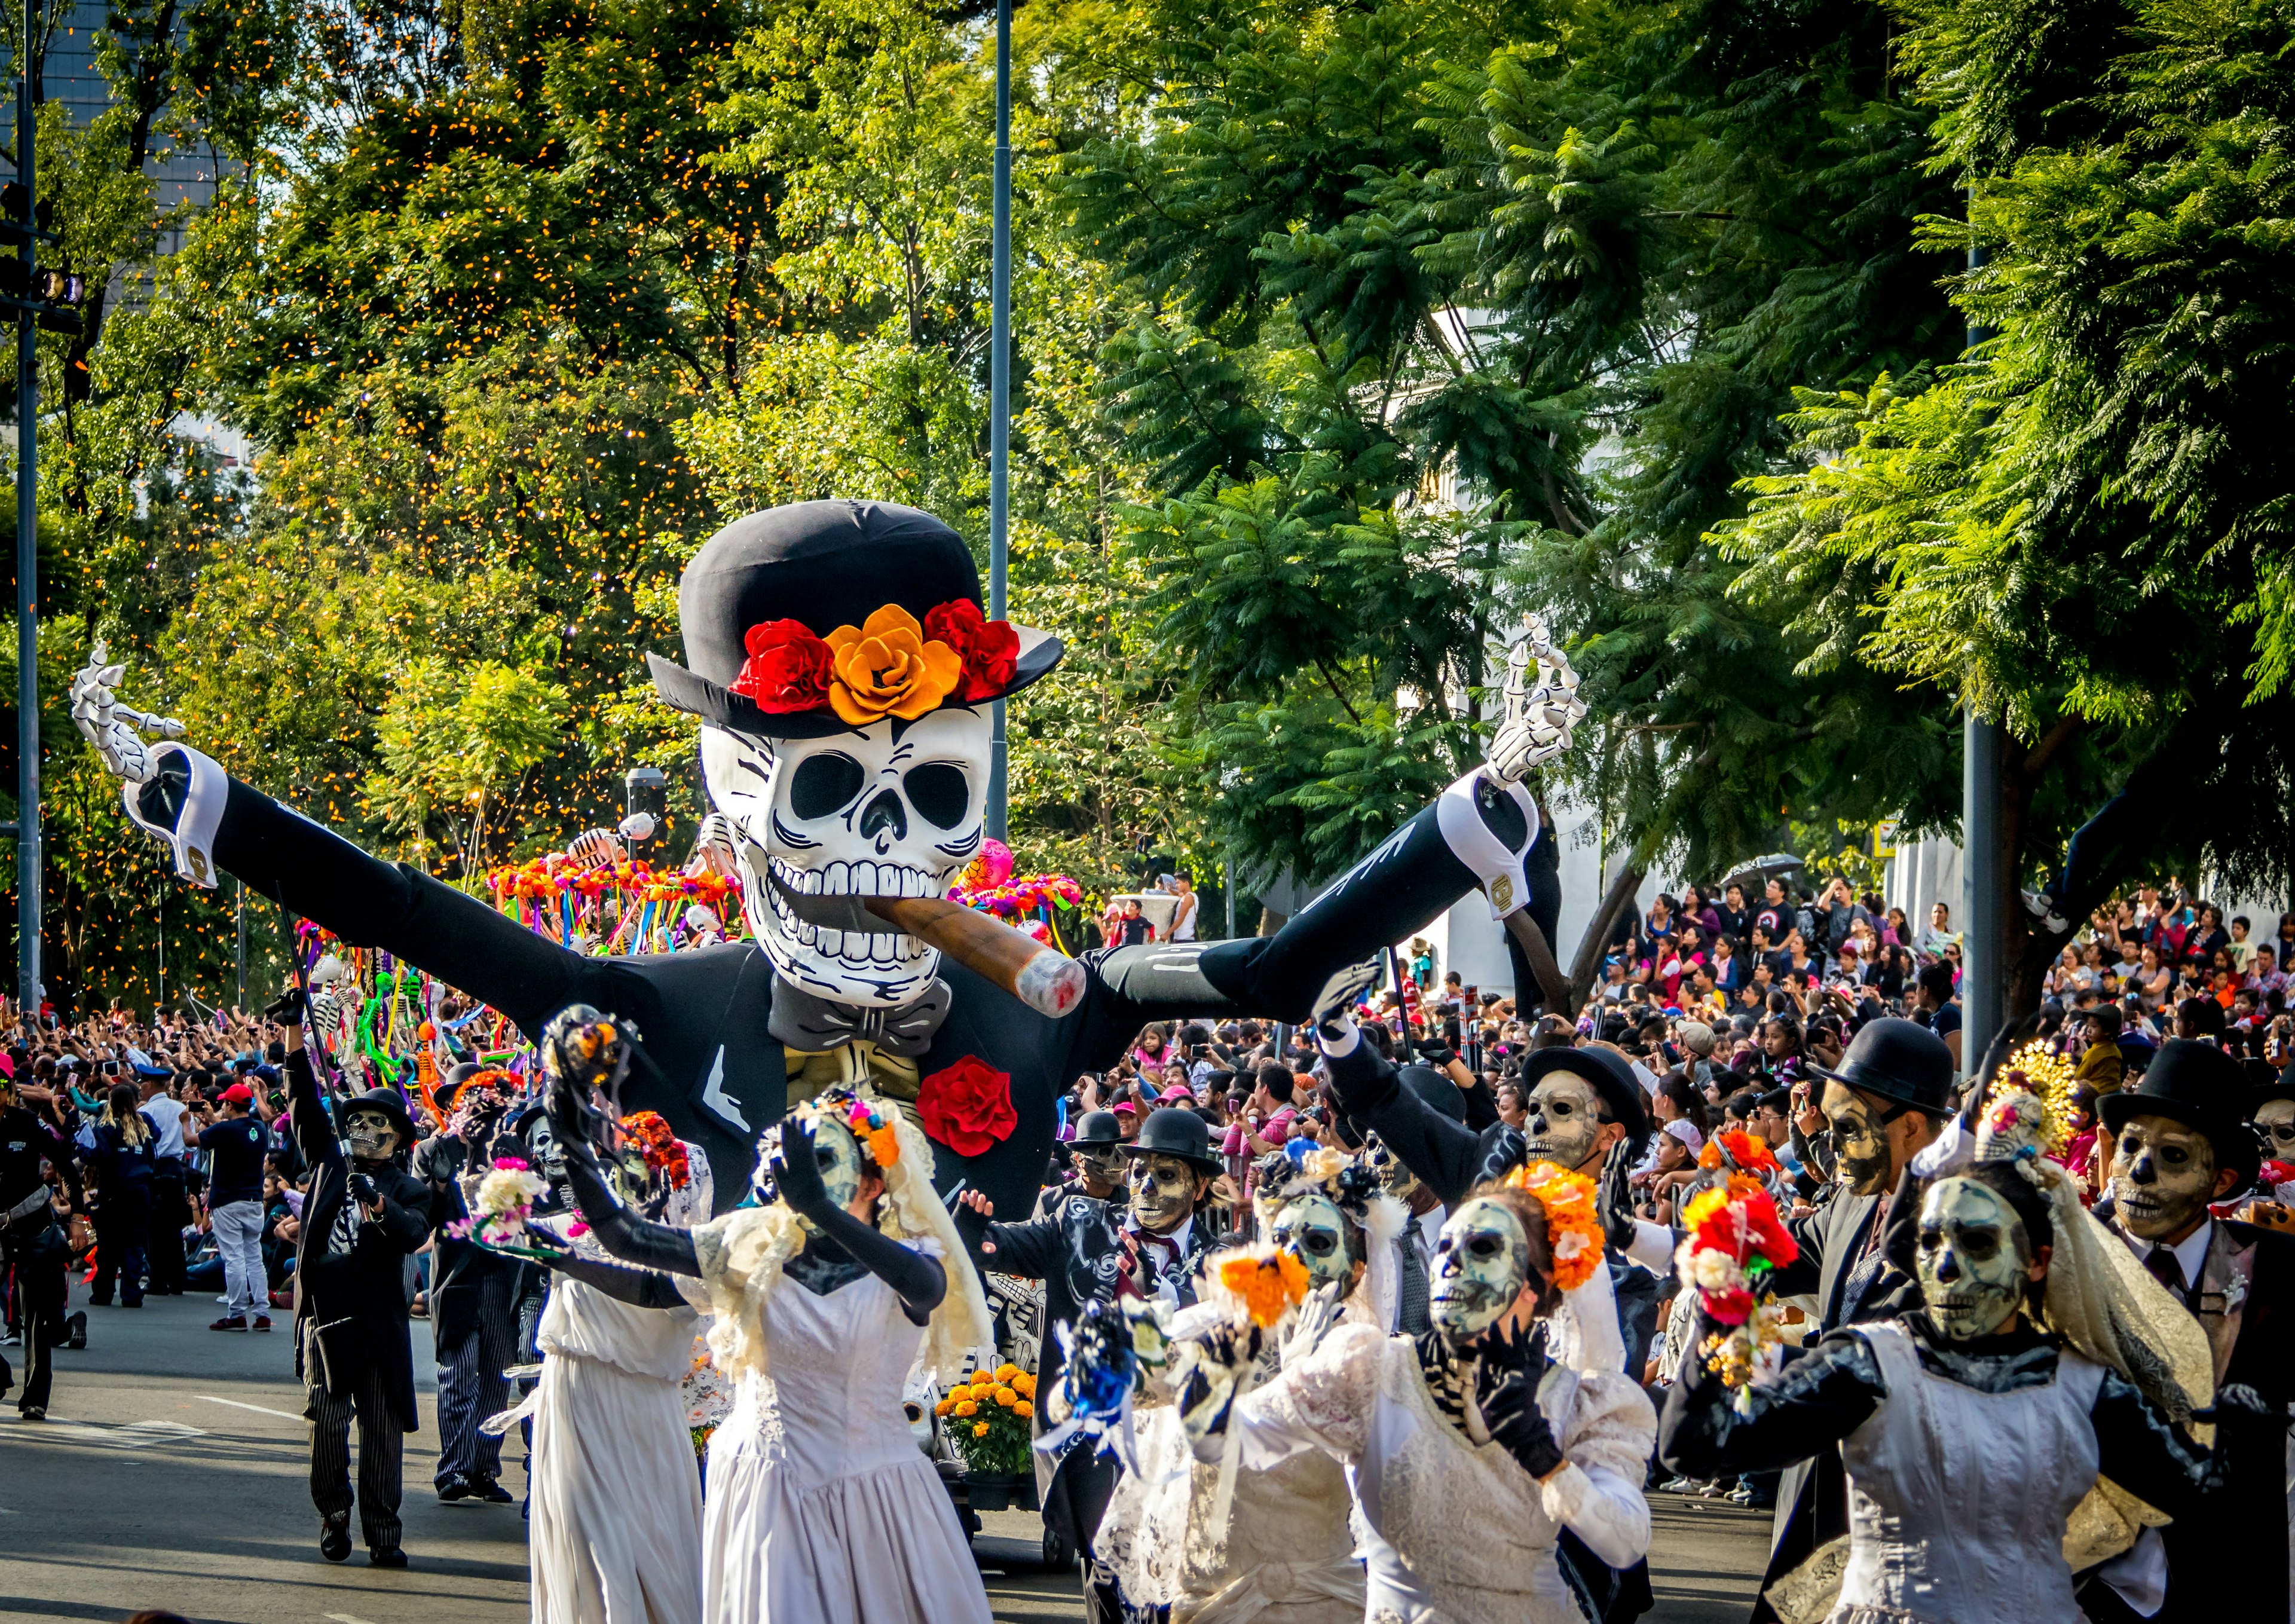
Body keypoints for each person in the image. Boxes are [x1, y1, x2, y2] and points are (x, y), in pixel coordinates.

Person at [1661, 1094, 2226, 1624]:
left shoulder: (2086, 1387)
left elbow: (2204, 1506)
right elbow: (1699, 1444)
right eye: (1931, 1241)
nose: (1947, 1266)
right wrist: (1723, 1308)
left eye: (1978, 1243)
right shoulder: (1871, 1363)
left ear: (2036, 1261)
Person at [547, 1027, 996, 1624]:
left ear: (872, 1182)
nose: (803, 1176)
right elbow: (625, 1237)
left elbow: (927, 1289)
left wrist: (825, 1213)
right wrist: (569, 1133)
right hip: (768, 1489)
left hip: (879, 1495)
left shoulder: (907, 1259)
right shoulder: (752, 1249)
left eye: (828, 1160)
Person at [1185, 1170, 1654, 1623]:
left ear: (1539, 1282)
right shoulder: (1367, 1370)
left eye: (1483, 1248)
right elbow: (1223, 1442)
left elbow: (1624, 1543)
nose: (1452, 1261)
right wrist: (1221, 1367)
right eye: (1445, 1244)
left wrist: (1541, 1456)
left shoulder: (1584, 1402)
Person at [485, 1091, 717, 1624]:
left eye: (639, 1166)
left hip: (641, 1409)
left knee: (646, 1538)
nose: (624, 1173)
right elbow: (516, 1224)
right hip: (573, 1394)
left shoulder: (690, 1256)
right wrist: (502, 1176)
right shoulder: (584, 1220)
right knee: (581, 1533)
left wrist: (564, 1256)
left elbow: (654, 1291)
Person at [2091, 1039, 2295, 1623]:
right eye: (2131, 1144)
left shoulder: (2278, 1272)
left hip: (2224, 1593)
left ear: (2221, 1177)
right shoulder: (2054, 1266)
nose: (2140, 1169)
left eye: (2174, 1155)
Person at [280, 1007, 430, 1567]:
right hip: (328, 1317)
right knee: (327, 1418)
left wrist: (376, 1200)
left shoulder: (407, 1188)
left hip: (381, 1325)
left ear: (398, 1137)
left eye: (375, 1122)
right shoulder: (327, 1161)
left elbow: (414, 1232)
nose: (362, 1129)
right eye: (356, 1119)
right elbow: (302, 1104)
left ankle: (384, 1531)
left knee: (383, 1432)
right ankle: (334, 1514)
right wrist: (293, 1032)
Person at [0, 1063, 86, 1420]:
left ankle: (35, 1398)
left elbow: (66, 1165)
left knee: (38, 1319)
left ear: (8, 1091)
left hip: (33, 1226)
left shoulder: (26, 1123)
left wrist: (78, 1218)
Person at [200, 1080, 273, 1332]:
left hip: (228, 1201)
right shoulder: (259, 1129)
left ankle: (237, 1313)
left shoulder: (226, 1130)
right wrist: (214, 1120)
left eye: (225, 1104)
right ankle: (262, 1314)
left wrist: (185, 1121)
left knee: (233, 1258)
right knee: (254, 1258)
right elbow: (228, 1133)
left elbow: (191, 1140)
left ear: (230, 1105)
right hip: (253, 1201)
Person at [85, 1083, 157, 1309]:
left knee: (109, 1245)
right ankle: (131, 1294)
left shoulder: (106, 1126)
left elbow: (99, 1154)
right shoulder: (143, 1126)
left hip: (115, 1192)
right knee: (134, 1243)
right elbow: (155, 1145)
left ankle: (104, 1293)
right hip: (141, 1191)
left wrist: (82, 1149)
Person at [137, 1063, 191, 1297]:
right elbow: (189, 1139)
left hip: (155, 1168)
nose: (140, 1088)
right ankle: (178, 1281)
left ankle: (157, 1281)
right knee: (174, 1227)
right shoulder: (181, 1107)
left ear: (149, 1085)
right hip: (177, 1170)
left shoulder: (146, 1112)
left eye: (142, 1084)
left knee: (155, 1228)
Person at [1168, 871, 1199, 943]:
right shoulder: (1191, 896)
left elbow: (1180, 919)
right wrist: (1170, 890)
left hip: (1184, 939)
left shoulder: (1187, 898)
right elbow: (1178, 893)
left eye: (1178, 883)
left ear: (1187, 883)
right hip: (1187, 938)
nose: (1176, 886)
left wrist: (1167, 934)